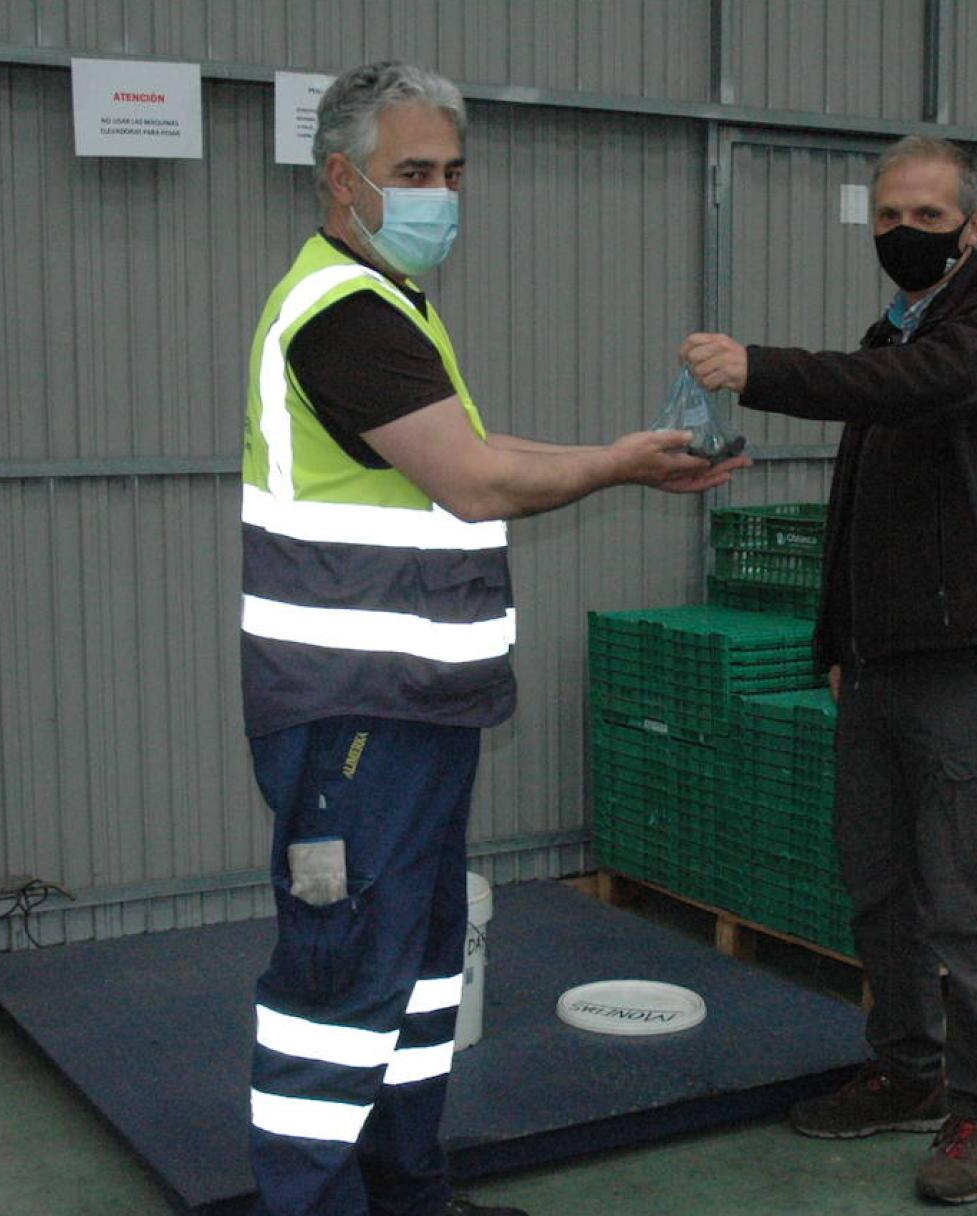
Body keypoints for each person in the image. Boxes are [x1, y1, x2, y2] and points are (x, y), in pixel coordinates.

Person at [241, 62, 745, 1216]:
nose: (441, 195)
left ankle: (410, 1193)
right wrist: (620, 461)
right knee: (340, 985)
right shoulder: (342, 313)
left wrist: (619, 453)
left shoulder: (393, 303)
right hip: (353, 717)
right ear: (341, 177)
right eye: (414, 173)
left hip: (418, 708)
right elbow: (473, 483)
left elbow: (461, 451)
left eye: (454, 173)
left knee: (417, 976)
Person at [681, 135, 977, 1206]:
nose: (903, 233)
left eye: (928, 217)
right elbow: (857, 514)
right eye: (887, 214)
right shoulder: (889, 335)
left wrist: (759, 368)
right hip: (881, 667)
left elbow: (913, 387)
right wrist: (835, 644)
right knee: (880, 885)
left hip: (969, 666)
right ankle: (907, 1072)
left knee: (965, 902)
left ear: (973, 228)